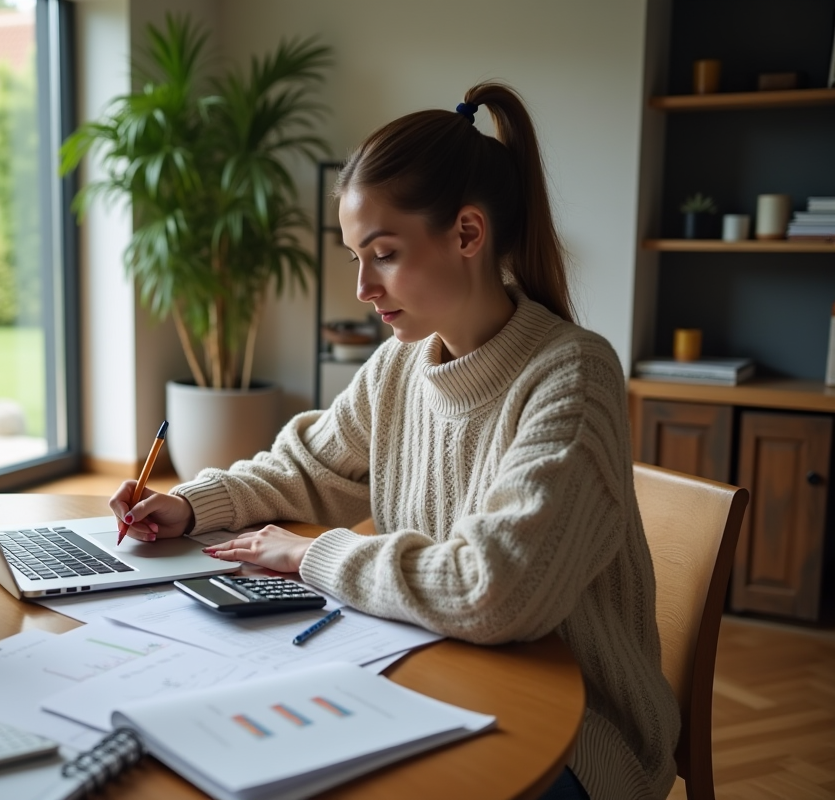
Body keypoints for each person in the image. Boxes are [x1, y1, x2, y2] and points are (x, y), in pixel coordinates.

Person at [109, 82, 679, 800]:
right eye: (355, 256)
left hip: (578, 732)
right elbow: (306, 469)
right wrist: (190, 506)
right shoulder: (402, 364)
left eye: (382, 254)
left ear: (468, 234)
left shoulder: (573, 376)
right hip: (435, 671)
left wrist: (314, 554)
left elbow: (496, 592)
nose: (362, 288)